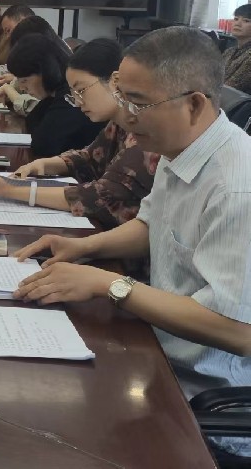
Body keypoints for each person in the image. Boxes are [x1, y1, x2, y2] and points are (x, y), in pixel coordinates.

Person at [13, 27, 251, 458]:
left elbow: (235, 329)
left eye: (138, 103)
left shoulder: (237, 188)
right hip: (152, 350)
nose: (125, 116)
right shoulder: (179, 150)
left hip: (197, 400)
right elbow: (150, 225)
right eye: (122, 97)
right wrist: (83, 248)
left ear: (195, 104)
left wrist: (110, 285)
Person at [0, 39, 159, 230]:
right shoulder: (118, 124)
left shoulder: (143, 133)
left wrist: (10, 190)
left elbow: (100, 197)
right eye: (73, 94)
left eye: (81, 90)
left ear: (115, 82)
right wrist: (46, 164)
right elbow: (89, 157)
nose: (78, 102)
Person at [2, 33, 104, 156]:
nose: (22, 88)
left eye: (25, 81)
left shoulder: (69, 95)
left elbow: (43, 145)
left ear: (45, 72)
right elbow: (33, 123)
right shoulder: (53, 96)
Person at [223, 3, 251, 94]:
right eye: (236, 19)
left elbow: (231, 87)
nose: (238, 24)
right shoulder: (229, 51)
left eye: (246, 21)